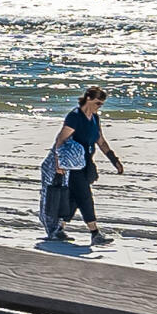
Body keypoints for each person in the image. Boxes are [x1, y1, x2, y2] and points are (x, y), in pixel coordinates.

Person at [43, 87, 124, 245]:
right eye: (97, 103)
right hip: (72, 166)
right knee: (85, 197)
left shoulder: (94, 118)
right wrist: (58, 163)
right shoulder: (75, 116)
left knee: (75, 198)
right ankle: (95, 233)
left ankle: (58, 230)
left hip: (86, 163)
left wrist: (114, 160)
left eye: (101, 104)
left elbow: (100, 141)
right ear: (88, 99)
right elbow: (60, 139)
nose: (99, 106)